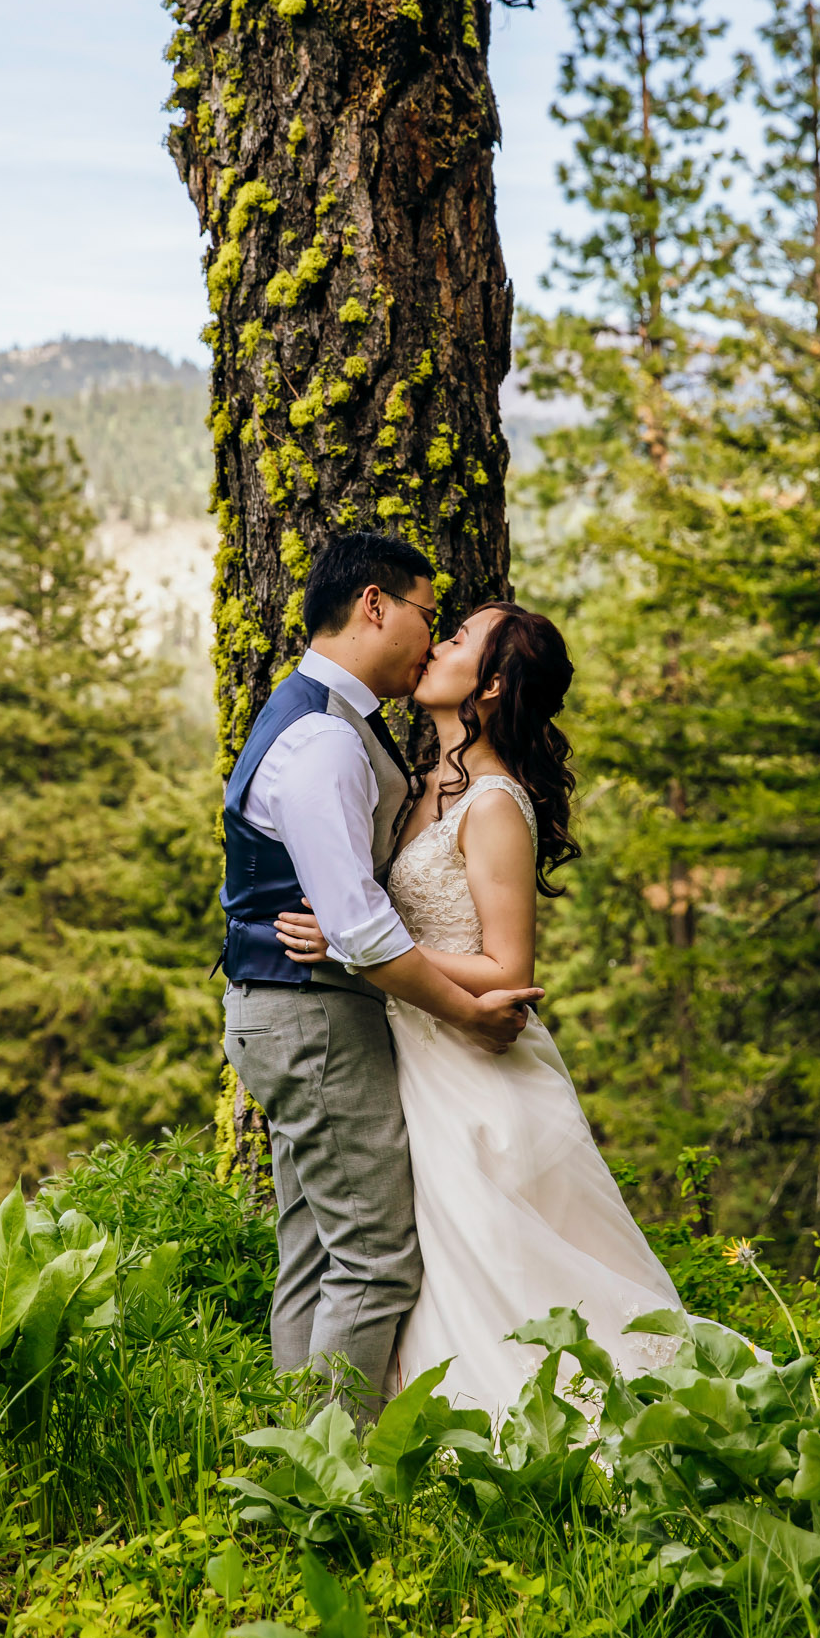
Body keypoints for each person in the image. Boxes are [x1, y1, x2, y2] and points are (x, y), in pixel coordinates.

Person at [274, 601, 684, 1417]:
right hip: (411, 1054)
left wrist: (360, 945)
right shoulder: (422, 782)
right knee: (428, 1262)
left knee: (495, 1264)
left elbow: (507, 966)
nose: (437, 642)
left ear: (491, 684)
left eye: (458, 639)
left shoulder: (494, 802)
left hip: (472, 1068)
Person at [219, 532, 540, 1418]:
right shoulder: (322, 739)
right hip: (309, 1017)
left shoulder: (327, 721)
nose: (430, 640)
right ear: (373, 605)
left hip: (292, 1014)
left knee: (318, 1250)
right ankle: (329, 1472)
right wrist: (469, 1015)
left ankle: (297, 1450)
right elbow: (358, 929)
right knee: (372, 1256)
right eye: (426, 617)